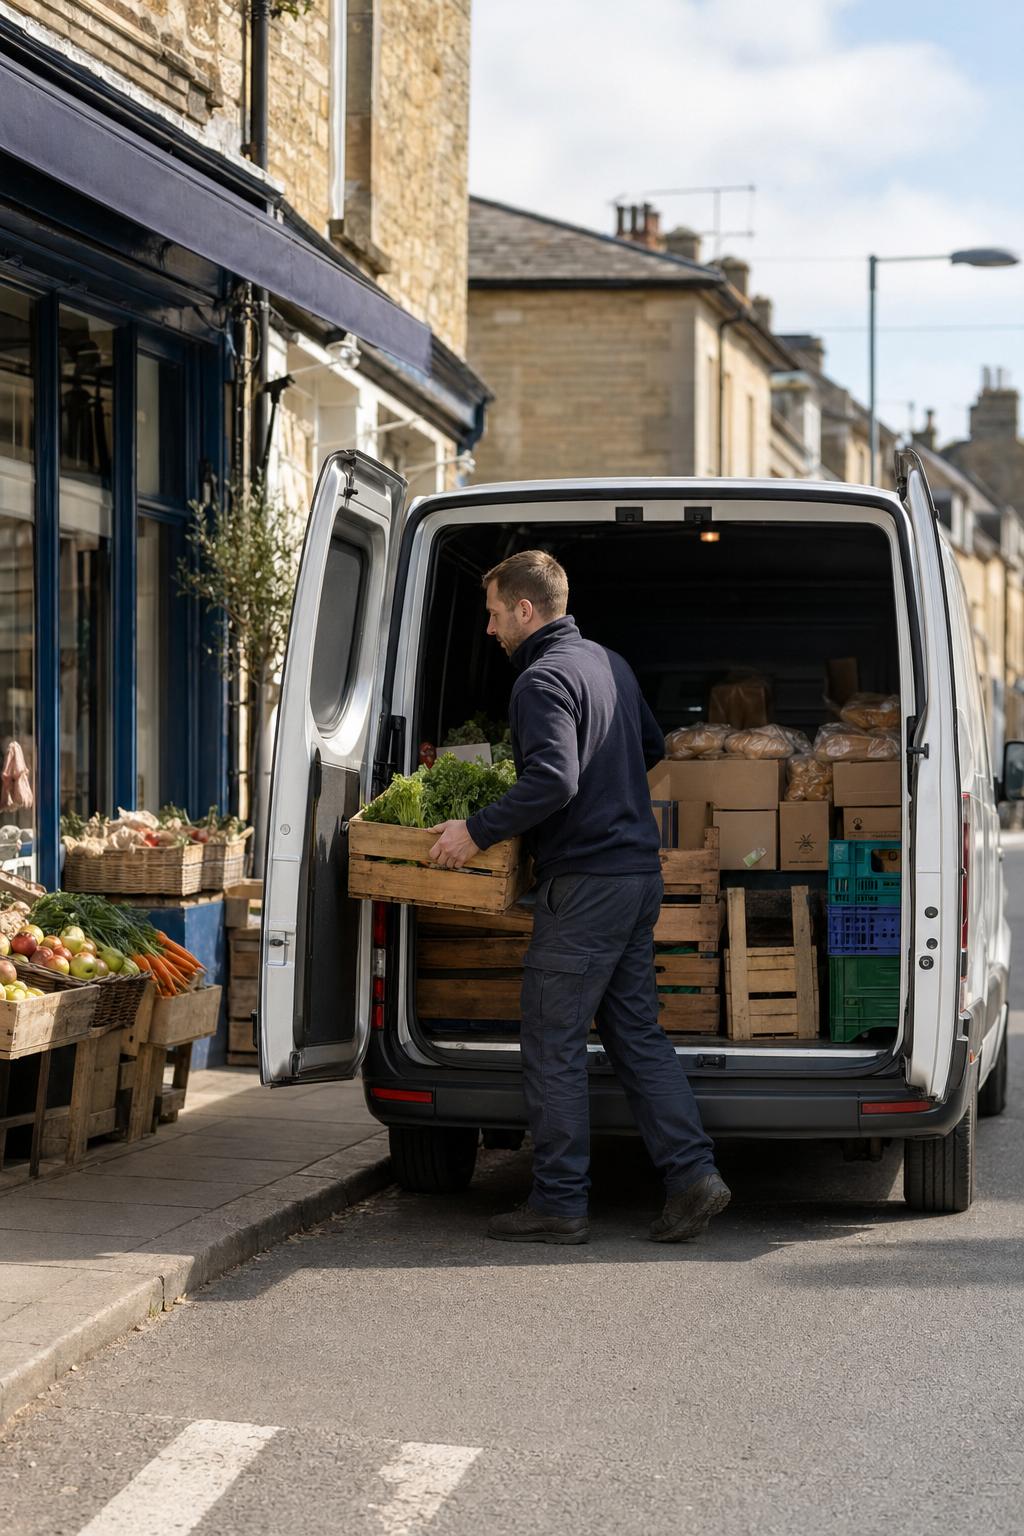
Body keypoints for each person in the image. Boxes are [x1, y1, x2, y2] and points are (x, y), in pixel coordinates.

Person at [428, 550, 730, 1245]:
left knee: (553, 1042)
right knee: (635, 1035)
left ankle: (559, 1202)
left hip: (587, 885)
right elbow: (652, 744)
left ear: (526, 611)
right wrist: (609, 792)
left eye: (495, 613)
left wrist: (474, 832)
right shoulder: (607, 664)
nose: (489, 628)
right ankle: (692, 1176)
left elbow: (552, 782)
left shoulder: (540, 680)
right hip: (636, 875)